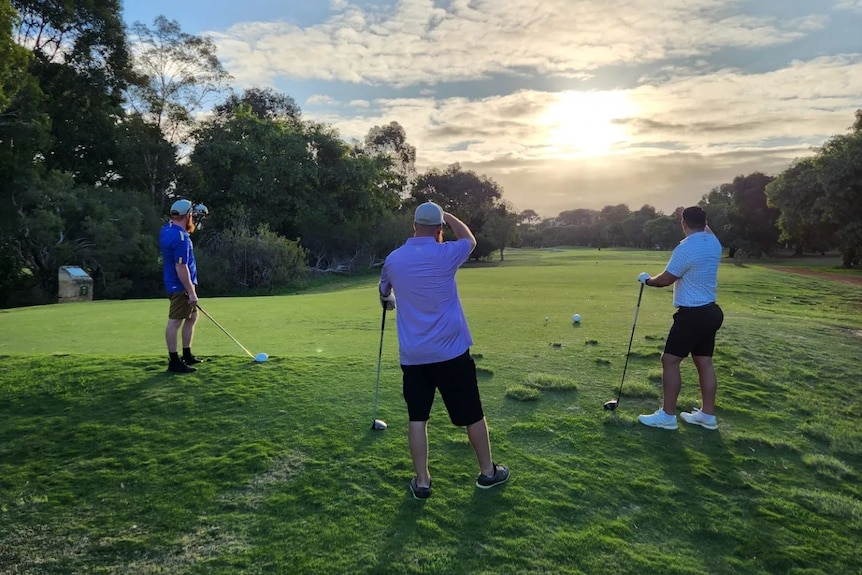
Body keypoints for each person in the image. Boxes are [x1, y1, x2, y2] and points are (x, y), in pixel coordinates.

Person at [378, 201, 509, 499]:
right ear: (439, 228)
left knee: (417, 418)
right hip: (451, 354)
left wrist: (387, 297)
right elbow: (470, 240)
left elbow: (384, 292)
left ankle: (422, 483)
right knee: (472, 414)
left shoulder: (394, 259)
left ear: (413, 226)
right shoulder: (447, 253)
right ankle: (488, 473)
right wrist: (449, 215)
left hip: (414, 358)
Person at [636, 206, 724, 431]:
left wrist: (647, 280)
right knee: (704, 362)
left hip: (692, 314)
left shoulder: (686, 248)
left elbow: (666, 279)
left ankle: (667, 416)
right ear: (705, 222)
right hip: (711, 312)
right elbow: (706, 229)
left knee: (669, 361)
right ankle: (707, 415)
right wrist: (687, 216)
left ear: (683, 224)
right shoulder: (713, 242)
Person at [159, 199, 207, 374]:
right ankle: (174, 361)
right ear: (187, 216)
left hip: (178, 283)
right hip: (180, 285)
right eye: (192, 215)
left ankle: (187, 354)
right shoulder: (181, 238)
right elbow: (181, 266)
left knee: (192, 317)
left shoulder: (167, 229)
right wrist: (191, 291)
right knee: (175, 321)